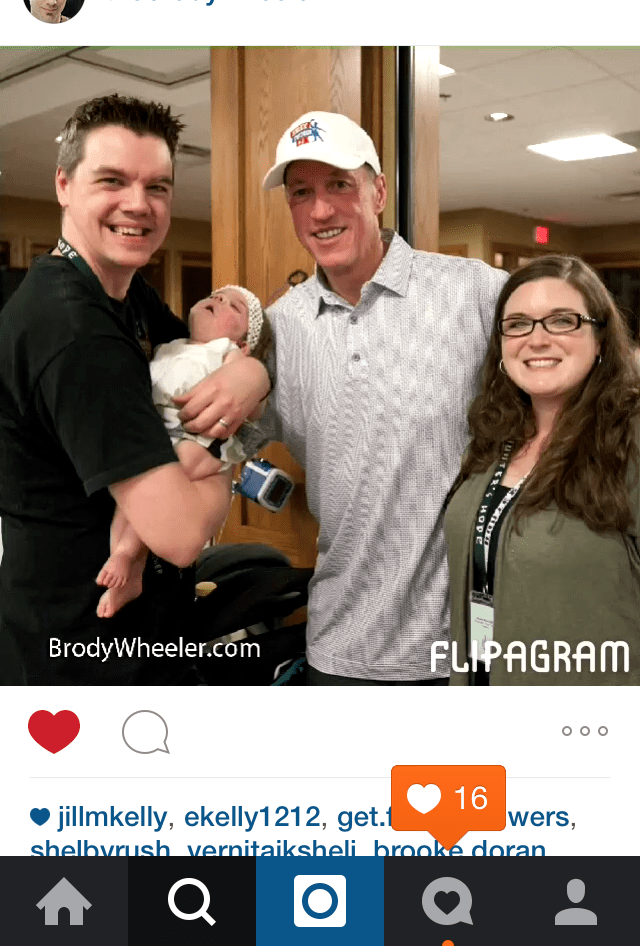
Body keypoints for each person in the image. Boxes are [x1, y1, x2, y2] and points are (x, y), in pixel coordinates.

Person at [179, 111, 506, 685]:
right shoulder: (279, 330)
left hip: (466, 650)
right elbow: (199, 460)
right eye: (301, 192)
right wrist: (228, 369)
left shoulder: (474, 291)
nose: (321, 210)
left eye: (339, 185)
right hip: (339, 651)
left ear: (378, 192)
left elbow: (583, 374)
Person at [0, 94, 270, 684]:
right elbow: (182, 536)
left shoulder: (124, 293)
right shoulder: (74, 332)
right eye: (112, 180)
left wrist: (252, 374)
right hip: (81, 651)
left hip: (144, 635)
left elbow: (201, 361)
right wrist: (227, 446)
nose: (138, 204)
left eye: (158, 187)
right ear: (64, 184)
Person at [445, 255, 640, 686]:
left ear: (600, 338)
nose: (537, 339)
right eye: (518, 324)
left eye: (562, 321)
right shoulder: (494, 436)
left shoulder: (629, 439)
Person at [96, 285, 271, 618]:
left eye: (233, 306)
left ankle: (126, 555)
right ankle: (128, 566)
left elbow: (253, 404)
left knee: (159, 484)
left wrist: (253, 374)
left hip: (199, 442)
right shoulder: (169, 347)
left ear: (243, 343)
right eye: (216, 296)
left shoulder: (228, 353)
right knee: (131, 497)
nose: (219, 300)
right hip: (158, 436)